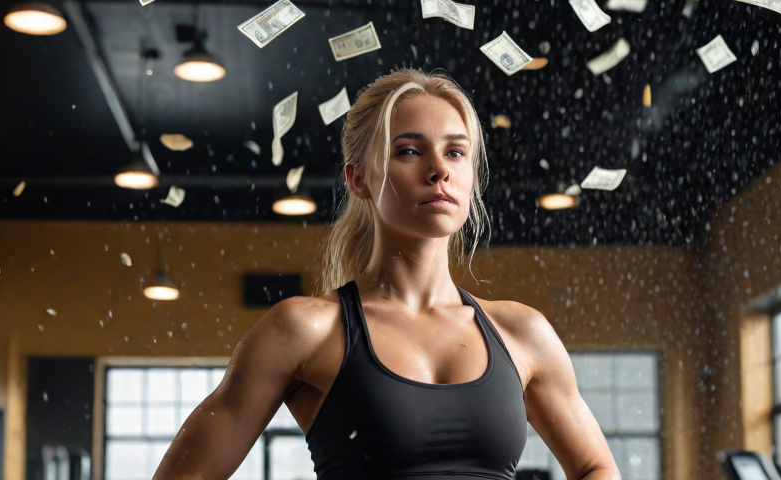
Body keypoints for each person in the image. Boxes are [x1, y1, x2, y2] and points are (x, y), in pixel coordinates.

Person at [152, 69, 621, 480]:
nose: (439, 169)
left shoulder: (523, 333)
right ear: (359, 178)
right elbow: (187, 473)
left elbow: (596, 467)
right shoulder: (304, 330)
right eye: (410, 151)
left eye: (456, 153)